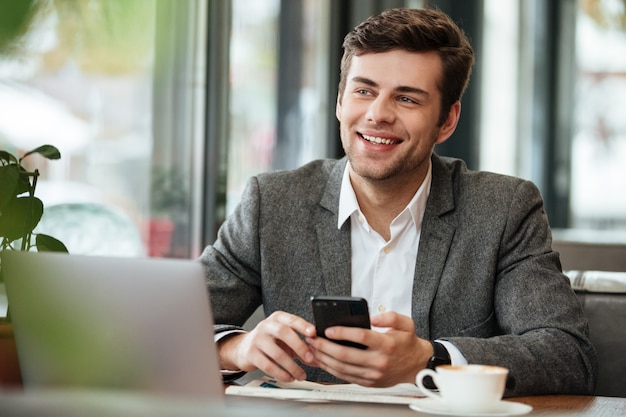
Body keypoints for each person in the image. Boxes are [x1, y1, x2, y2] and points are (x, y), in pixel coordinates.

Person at [199, 7, 597, 396]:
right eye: (363, 90)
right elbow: (162, 326)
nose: (377, 114)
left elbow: (567, 354)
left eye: (406, 99)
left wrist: (429, 358)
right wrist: (235, 348)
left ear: (447, 121)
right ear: (340, 102)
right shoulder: (271, 203)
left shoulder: (504, 208)